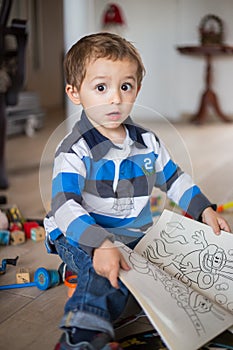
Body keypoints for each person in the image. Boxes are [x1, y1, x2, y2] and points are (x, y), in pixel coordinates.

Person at [44, 32, 231, 350]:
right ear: (75, 93)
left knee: (156, 273)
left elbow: (174, 179)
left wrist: (203, 208)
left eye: (125, 86)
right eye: (101, 88)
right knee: (108, 273)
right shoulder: (75, 150)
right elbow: (65, 206)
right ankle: (82, 335)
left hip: (132, 237)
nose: (115, 98)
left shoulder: (148, 143)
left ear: (137, 90)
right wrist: (99, 244)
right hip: (78, 233)